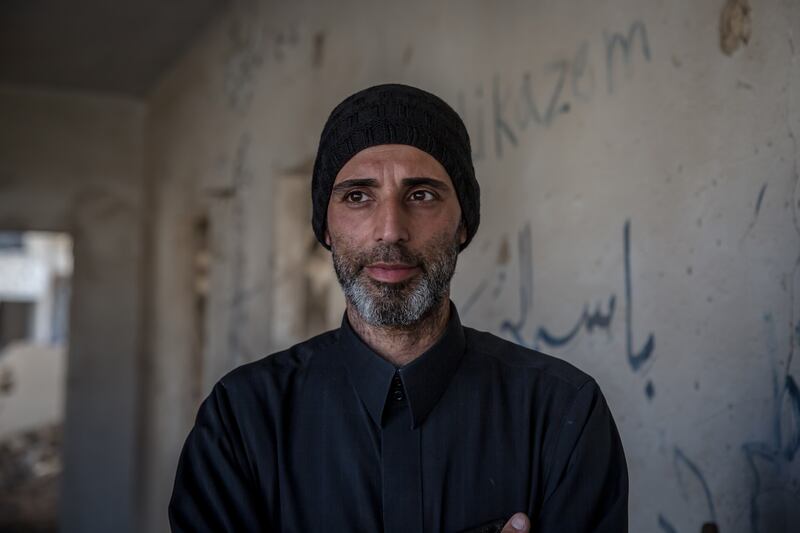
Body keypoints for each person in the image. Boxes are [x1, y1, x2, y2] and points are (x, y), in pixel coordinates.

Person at [169, 83, 628, 533]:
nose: (390, 230)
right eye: (357, 196)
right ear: (324, 227)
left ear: (463, 223)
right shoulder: (242, 420)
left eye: (421, 194)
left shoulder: (561, 414)